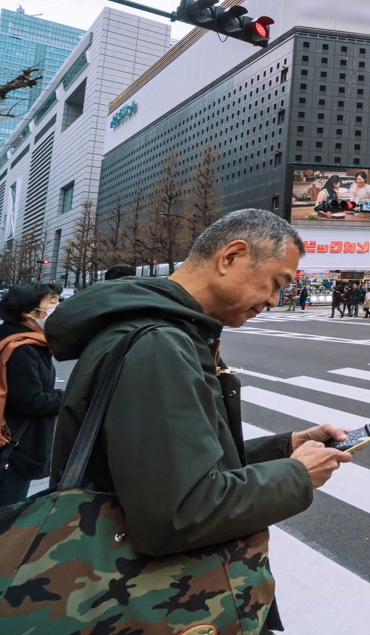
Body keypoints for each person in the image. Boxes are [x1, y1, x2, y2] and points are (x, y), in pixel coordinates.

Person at [45, 209, 351, 631]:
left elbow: (178, 463)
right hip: (159, 604)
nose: (274, 301)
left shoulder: (158, 330)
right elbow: (178, 513)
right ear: (231, 257)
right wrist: (297, 475)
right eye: (276, 283)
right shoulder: (160, 345)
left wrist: (286, 447)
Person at [0, 284, 62, 505]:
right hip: (16, 447)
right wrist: (63, 397)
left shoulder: (15, 339)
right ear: (28, 311)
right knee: (8, 517)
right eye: (52, 301)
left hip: (13, 444)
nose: (58, 306)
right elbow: (29, 401)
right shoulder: (22, 348)